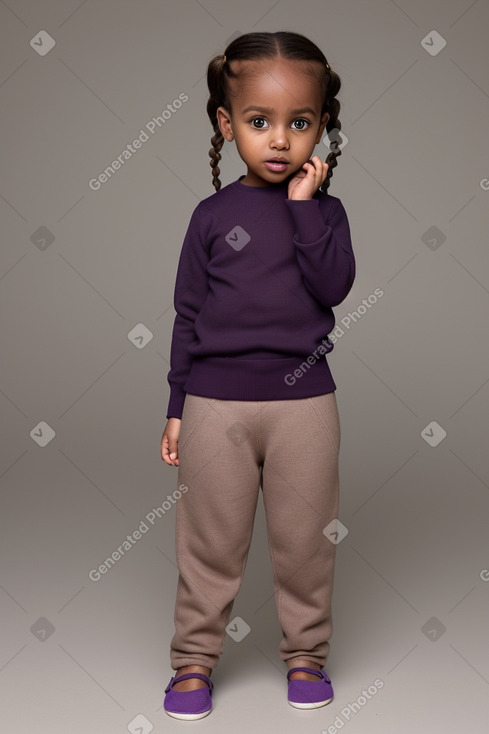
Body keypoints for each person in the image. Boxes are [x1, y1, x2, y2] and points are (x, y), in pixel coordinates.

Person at [160, 30, 355, 720]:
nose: (279, 140)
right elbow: (187, 314)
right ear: (226, 123)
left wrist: (304, 209)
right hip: (216, 405)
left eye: (299, 123)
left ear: (320, 128)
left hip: (304, 403)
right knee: (209, 541)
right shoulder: (211, 217)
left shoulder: (324, 214)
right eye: (259, 121)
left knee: (306, 542)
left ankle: (305, 656)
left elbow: (332, 287)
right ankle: (192, 662)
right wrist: (177, 403)